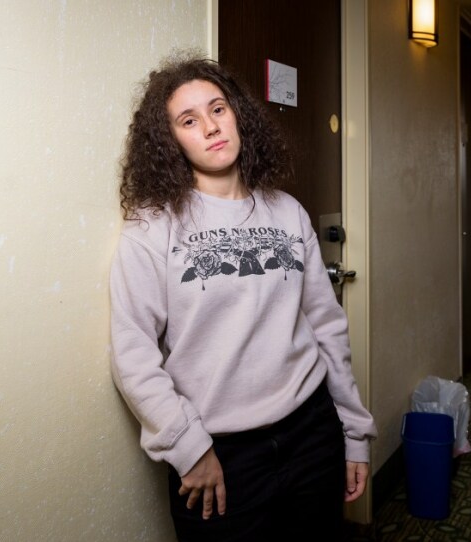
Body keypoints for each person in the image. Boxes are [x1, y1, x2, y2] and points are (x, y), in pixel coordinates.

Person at [109, 52, 377, 541]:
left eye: (218, 109)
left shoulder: (287, 212)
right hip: (220, 457)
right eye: (188, 120)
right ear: (170, 140)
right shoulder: (151, 229)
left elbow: (327, 327)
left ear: (238, 114)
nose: (210, 127)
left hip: (311, 433)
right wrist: (189, 448)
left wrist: (353, 433)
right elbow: (132, 355)